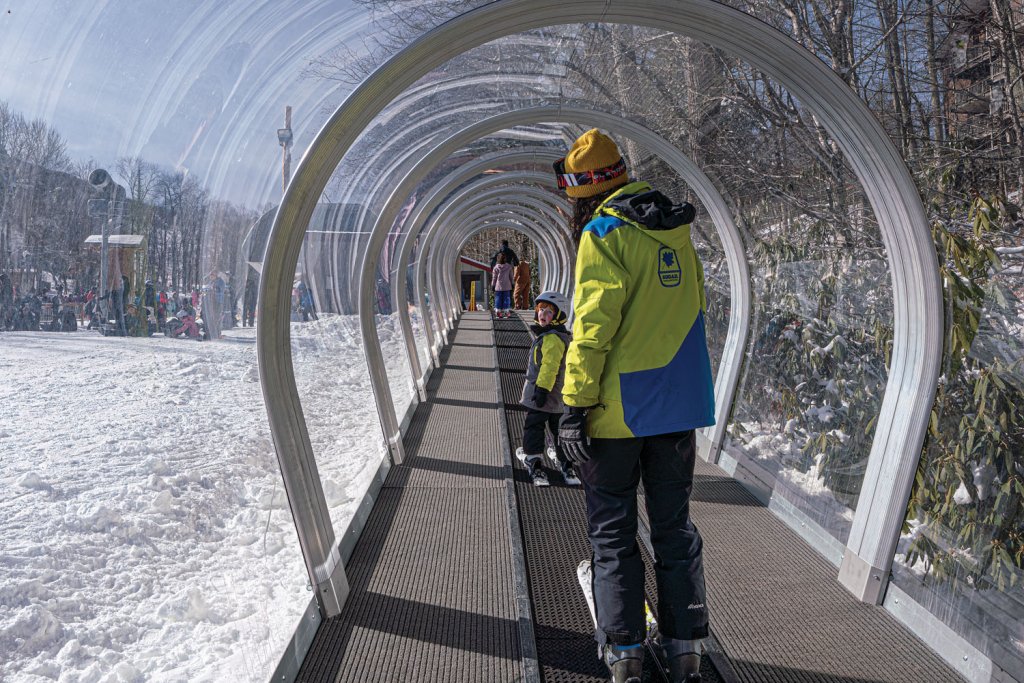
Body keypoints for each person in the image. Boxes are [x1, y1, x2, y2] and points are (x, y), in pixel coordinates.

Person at [555, 129, 715, 683]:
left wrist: (574, 405)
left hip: (616, 415)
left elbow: (593, 330)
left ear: (582, 194)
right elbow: (690, 310)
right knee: (674, 528)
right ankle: (685, 648)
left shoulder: (604, 234)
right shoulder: (675, 229)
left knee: (614, 533)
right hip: (675, 410)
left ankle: (624, 653)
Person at [515, 291, 580, 488]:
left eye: (549, 311)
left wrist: (541, 390)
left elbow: (549, 367)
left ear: (559, 315)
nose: (542, 314)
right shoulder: (561, 336)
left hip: (543, 396)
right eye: (540, 309)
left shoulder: (551, 339)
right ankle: (566, 464)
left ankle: (534, 462)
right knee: (558, 430)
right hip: (559, 397)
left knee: (534, 428)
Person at [491, 253, 514, 318]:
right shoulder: (509, 267)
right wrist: (512, 284)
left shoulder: (496, 267)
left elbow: (494, 278)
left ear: (498, 259)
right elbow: (511, 277)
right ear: (505, 259)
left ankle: (498, 311)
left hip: (498, 286)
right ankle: (506, 311)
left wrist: (493, 285)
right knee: (506, 299)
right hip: (507, 286)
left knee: (498, 298)